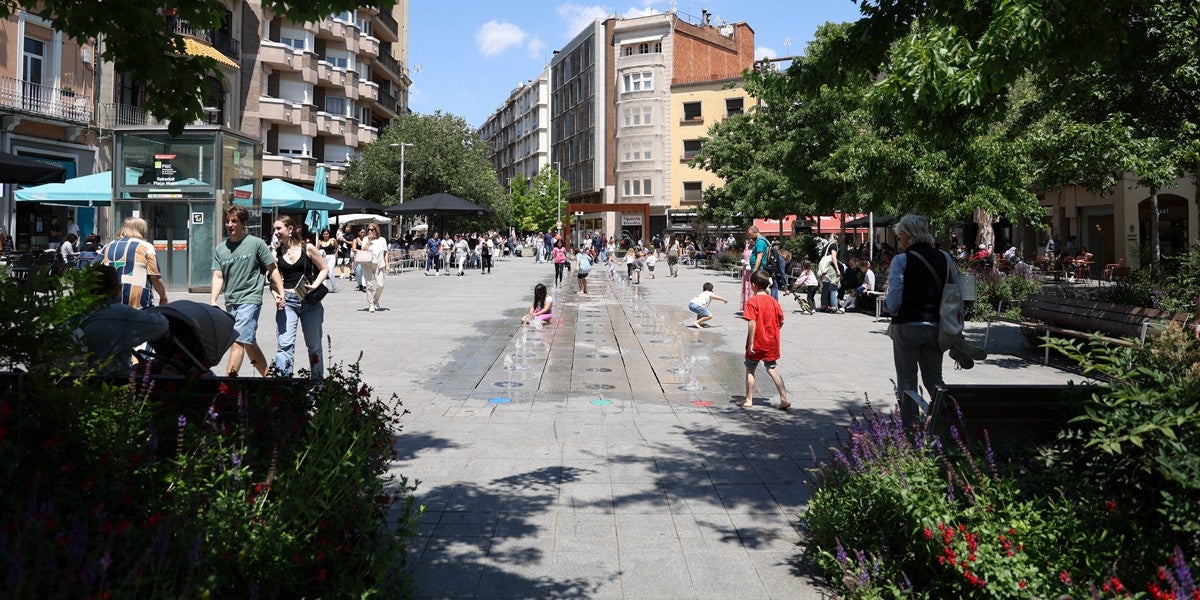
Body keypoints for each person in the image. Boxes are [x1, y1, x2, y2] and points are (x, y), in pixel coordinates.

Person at [884, 214, 985, 426]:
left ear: (907, 235)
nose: (900, 239)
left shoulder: (901, 260)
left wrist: (891, 310)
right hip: (936, 327)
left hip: (907, 326)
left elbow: (893, 300)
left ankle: (910, 425)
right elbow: (955, 292)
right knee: (934, 379)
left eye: (900, 235)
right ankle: (949, 420)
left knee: (907, 380)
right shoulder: (944, 258)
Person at [211, 205, 285, 377]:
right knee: (248, 341)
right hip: (231, 301)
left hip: (250, 299)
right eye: (227, 221)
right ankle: (269, 377)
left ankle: (227, 386)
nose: (230, 224)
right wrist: (213, 301)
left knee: (238, 341)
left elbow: (272, 269)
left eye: (234, 221)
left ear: (243, 223)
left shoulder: (256, 244)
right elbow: (218, 276)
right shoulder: (221, 249)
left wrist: (280, 293)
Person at [78, 264, 169, 378]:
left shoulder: (76, 313)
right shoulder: (121, 314)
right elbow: (162, 325)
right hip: (113, 382)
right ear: (115, 288)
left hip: (78, 382)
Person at [270, 216, 329, 378]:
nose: (275, 232)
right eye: (275, 229)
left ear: (290, 229)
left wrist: (315, 284)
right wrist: (277, 296)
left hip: (310, 301)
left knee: (314, 346)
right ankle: (283, 385)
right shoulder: (276, 252)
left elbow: (324, 268)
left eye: (278, 228)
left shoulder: (307, 248)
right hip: (288, 301)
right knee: (284, 346)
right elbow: (273, 282)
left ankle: (317, 384)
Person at [741, 270, 790, 410]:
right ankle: (784, 398)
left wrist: (750, 343)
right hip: (771, 342)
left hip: (756, 342)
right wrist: (773, 332)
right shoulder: (774, 301)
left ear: (754, 285)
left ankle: (749, 400)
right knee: (772, 368)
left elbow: (752, 322)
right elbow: (781, 321)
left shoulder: (752, 302)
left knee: (750, 368)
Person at [100, 217, 168, 309]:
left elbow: (93, 268)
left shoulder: (108, 246)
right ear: (142, 230)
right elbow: (154, 276)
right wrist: (163, 296)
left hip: (111, 296)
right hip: (138, 299)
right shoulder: (146, 246)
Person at [361, 224, 387, 312]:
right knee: (369, 284)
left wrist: (388, 264)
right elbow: (363, 251)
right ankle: (371, 304)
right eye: (369, 229)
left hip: (379, 264)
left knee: (381, 285)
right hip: (367, 264)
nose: (370, 231)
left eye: (372, 230)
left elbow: (385, 253)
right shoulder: (365, 239)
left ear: (377, 230)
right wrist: (369, 242)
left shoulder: (382, 240)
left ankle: (375, 300)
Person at [818, 248, 844, 313]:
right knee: (834, 289)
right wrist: (838, 270)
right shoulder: (834, 248)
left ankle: (823, 305)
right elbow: (834, 258)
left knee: (825, 289)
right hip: (831, 271)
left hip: (825, 272)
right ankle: (834, 307)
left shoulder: (824, 255)